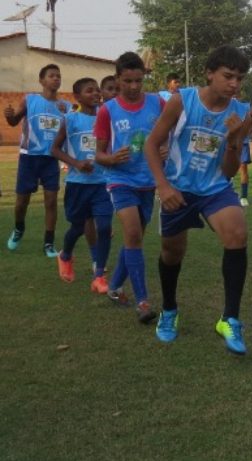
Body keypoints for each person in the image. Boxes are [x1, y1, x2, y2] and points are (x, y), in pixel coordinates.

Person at [144, 45, 252, 354]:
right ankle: (169, 310)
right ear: (209, 72)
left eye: (239, 78)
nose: (234, 84)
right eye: (228, 76)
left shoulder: (241, 113)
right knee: (172, 253)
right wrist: (163, 187)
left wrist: (233, 141)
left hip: (215, 188)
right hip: (178, 188)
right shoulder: (182, 101)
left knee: (237, 234)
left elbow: (230, 169)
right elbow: (151, 145)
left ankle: (229, 318)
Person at [94, 51, 164, 323]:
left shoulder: (157, 103)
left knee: (134, 239)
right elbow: (98, 154)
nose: (134, 87)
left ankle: (114, 287)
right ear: (117, 80)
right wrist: (111, 158)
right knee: (133, 233)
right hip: (120, 181)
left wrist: (165, 147)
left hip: (149, 181)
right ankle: (143, 302)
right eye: (128, 81)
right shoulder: (107, 111)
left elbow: (166, 134)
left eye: (139, 81)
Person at [50, 77, 113, 293]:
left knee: (104, 227)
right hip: (78, 184)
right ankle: (65, 255)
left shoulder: (106, 117)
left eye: (97, 90)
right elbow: (55, 149)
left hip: (102, 183)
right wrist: (76, 163)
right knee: (77, 228)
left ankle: (99, 276)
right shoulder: (71, 119)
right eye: (89, 91)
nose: (96, 94)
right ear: (77, 97)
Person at [5, 63, 66, 256]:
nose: (55, 78)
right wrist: (8, 117)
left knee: (51, 201)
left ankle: (48, 243)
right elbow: (14, 121)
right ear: (41, 80)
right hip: (29, 158)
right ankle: (18, 228)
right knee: (22, 202)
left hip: (50, 159)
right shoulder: (30, 100)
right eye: (51, 75)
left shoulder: (65, 106)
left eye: (58, 76)